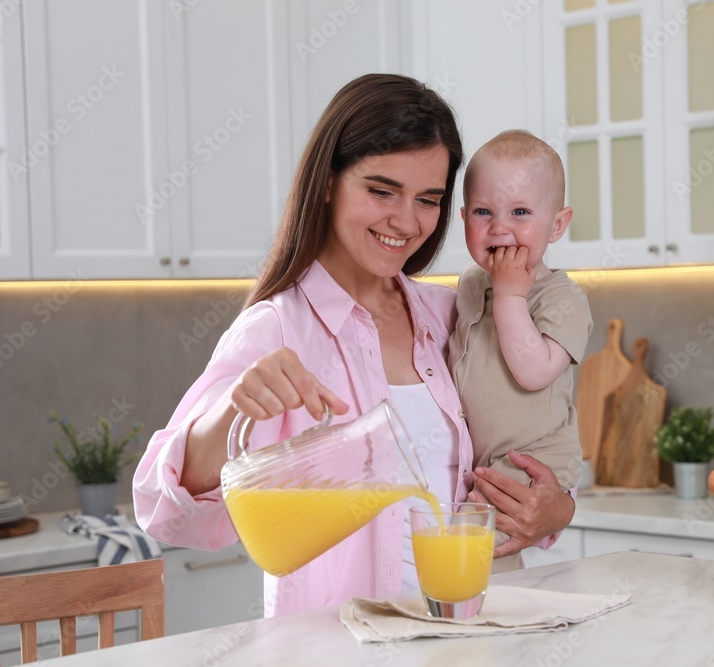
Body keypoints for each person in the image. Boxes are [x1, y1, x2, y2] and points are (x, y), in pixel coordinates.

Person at [132, 74, 576, 616]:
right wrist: (233, 407)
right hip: (338, 645)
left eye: (427, 200)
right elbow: (161, 507)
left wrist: (556, 511)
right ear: (328, 181)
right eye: (381, 190)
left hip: (466, 635)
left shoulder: (452, 315)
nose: (405, 221)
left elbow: (526, 432)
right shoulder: (279, 327)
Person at [449, 130, 593, 571]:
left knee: (474, 559)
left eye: (521, 212)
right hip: (481, 461)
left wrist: (511, 296)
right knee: (469, 559)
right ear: (463, 217)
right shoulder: (471, 284)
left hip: (531, 461)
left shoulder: (561, 297)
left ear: (557, 224)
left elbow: (533, 372)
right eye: (483, 211)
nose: (499, 227)